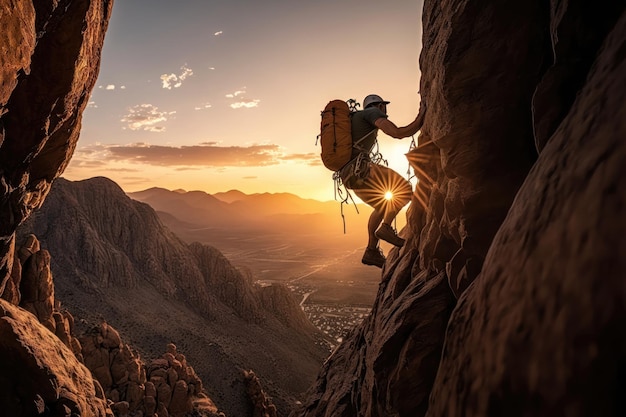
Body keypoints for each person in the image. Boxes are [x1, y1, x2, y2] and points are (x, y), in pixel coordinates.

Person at [340, 94, 427, 268]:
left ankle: (371, 250)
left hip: (349, 176)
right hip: (361, 169)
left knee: (381, 206)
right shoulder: (372, 113)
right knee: (404, 189)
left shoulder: (353, 120)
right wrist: (421, 117)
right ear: (379, 106)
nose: (385, 111)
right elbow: (397, 133)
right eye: (384, 107)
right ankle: (386, 227)